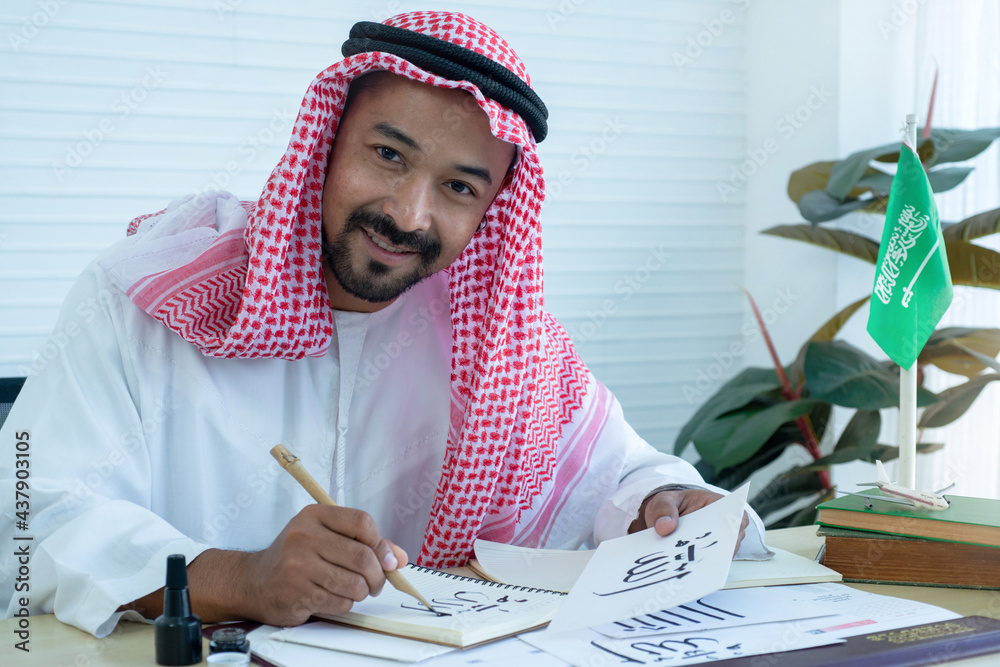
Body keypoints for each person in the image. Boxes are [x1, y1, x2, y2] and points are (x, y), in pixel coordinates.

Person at [0, 11, 770, 637]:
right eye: (388, 155)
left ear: (492, 210)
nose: (409, 214)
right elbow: (24, 530)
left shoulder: (501, 348)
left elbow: (620, 472)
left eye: (460, 187)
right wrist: (240, 576)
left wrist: (663, 500)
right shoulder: (145, 296)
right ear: (326, 144)